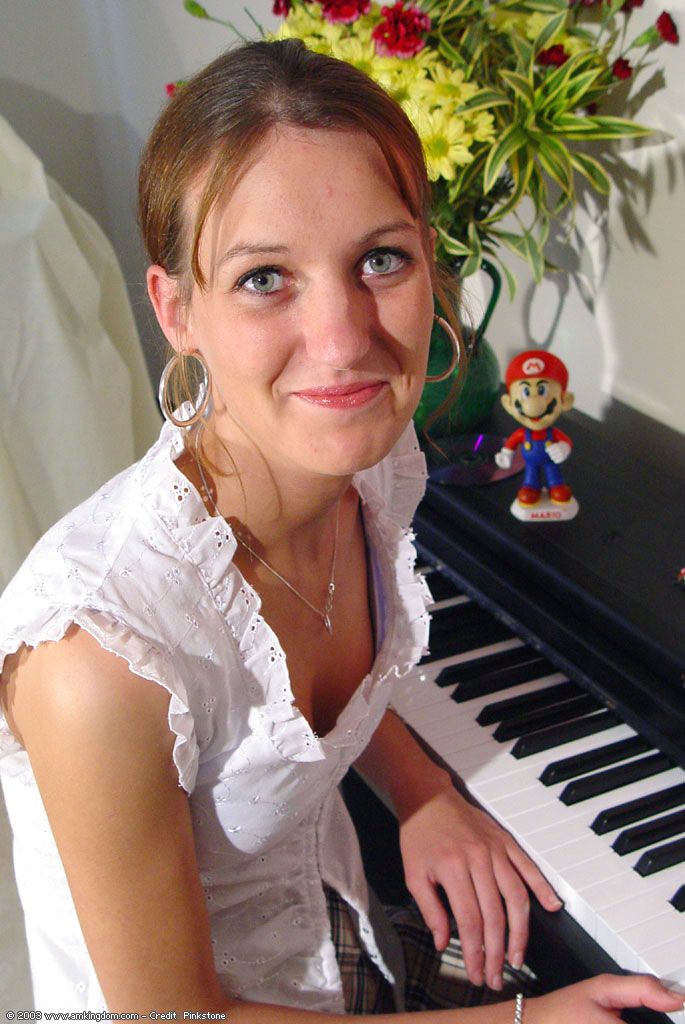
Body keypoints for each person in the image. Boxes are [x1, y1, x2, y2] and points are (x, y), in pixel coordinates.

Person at [0, 39, 681, 1024]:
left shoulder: (368, 465)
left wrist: (423, 791)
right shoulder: (96, 659)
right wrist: (523, 1020)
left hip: (339, 935)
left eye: (380, 259)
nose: (344, 338)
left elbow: (307, 701)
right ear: (177, 310)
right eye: (264, 278)